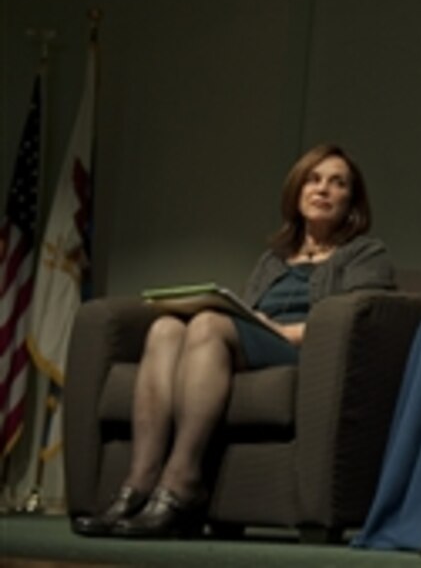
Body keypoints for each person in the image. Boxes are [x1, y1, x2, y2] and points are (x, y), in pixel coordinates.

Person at [72, 143, 395, 539]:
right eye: (313, 180)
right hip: (259, 343)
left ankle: (183, 482)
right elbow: (250, 312)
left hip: (306, 354)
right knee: (165, 330)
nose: (323, 189)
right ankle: (139, 482)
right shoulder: (274, 259)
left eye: (337, 183)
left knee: (208, 325)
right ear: (296, 192)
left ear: (352, 201)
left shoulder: (366, 254)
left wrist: (276, 331)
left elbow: (354, 326)